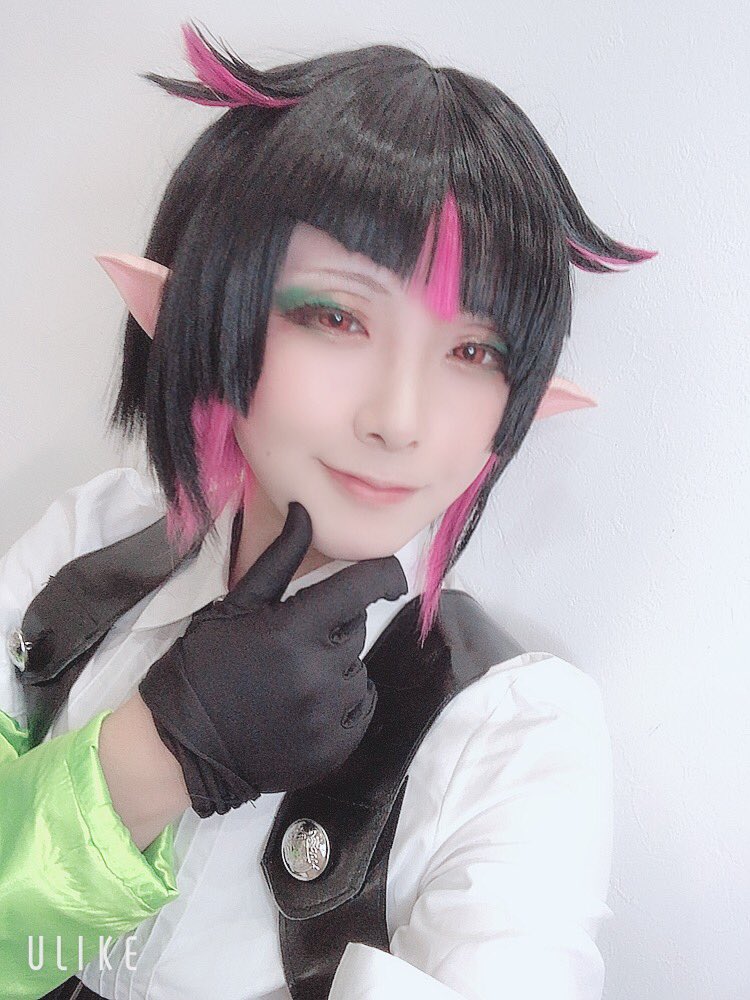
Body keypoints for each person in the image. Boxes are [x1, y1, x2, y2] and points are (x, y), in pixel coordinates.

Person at [0, 21, 655, 1000]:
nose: (400, 419)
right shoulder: (90, 547)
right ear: (211, 311)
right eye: (337, 317)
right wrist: (155, 753)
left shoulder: (510, 733)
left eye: (473, 352)